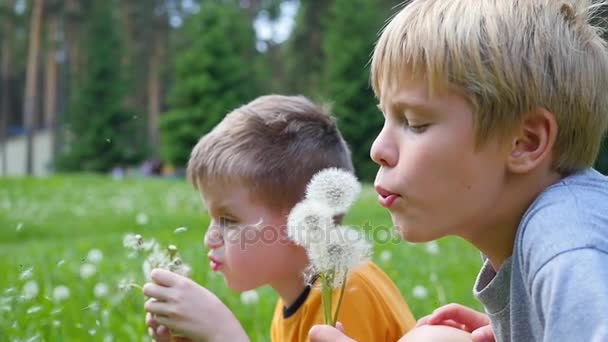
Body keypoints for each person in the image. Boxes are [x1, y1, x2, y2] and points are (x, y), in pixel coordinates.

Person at [309, 0, 608, 341]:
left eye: (414, 123)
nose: (378, 150)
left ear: (524, 142)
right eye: (386, 117)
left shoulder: (568, 243)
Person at [142, 95, 417, 341]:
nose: (210, 237)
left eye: (228, 219)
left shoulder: (347, 292)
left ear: (302, 224)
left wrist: (223, 333)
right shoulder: (292, 304)